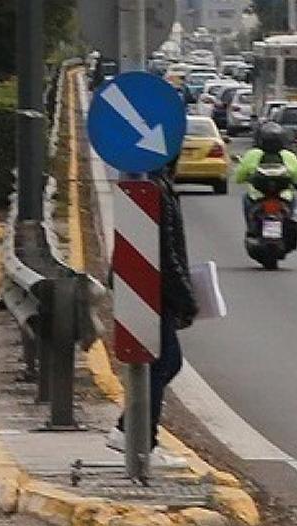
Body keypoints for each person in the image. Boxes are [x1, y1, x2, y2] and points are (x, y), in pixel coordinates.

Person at [106, 157, 198, 465]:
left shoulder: (153, 187)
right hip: (152, 293)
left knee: (165, 364)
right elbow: (166, 255)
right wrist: (186, 298)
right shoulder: (155, 191)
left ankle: (130, 431)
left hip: (147, 289)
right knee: (162, 364)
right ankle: (141, 441)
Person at [233, 122, 297, 234]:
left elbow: (238, 177)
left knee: (246, 199)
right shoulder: (288, 155)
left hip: (257, 196)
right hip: (283, 196)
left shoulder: (253, 154)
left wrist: (246, 177)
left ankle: (251, 228)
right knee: (293, 200)